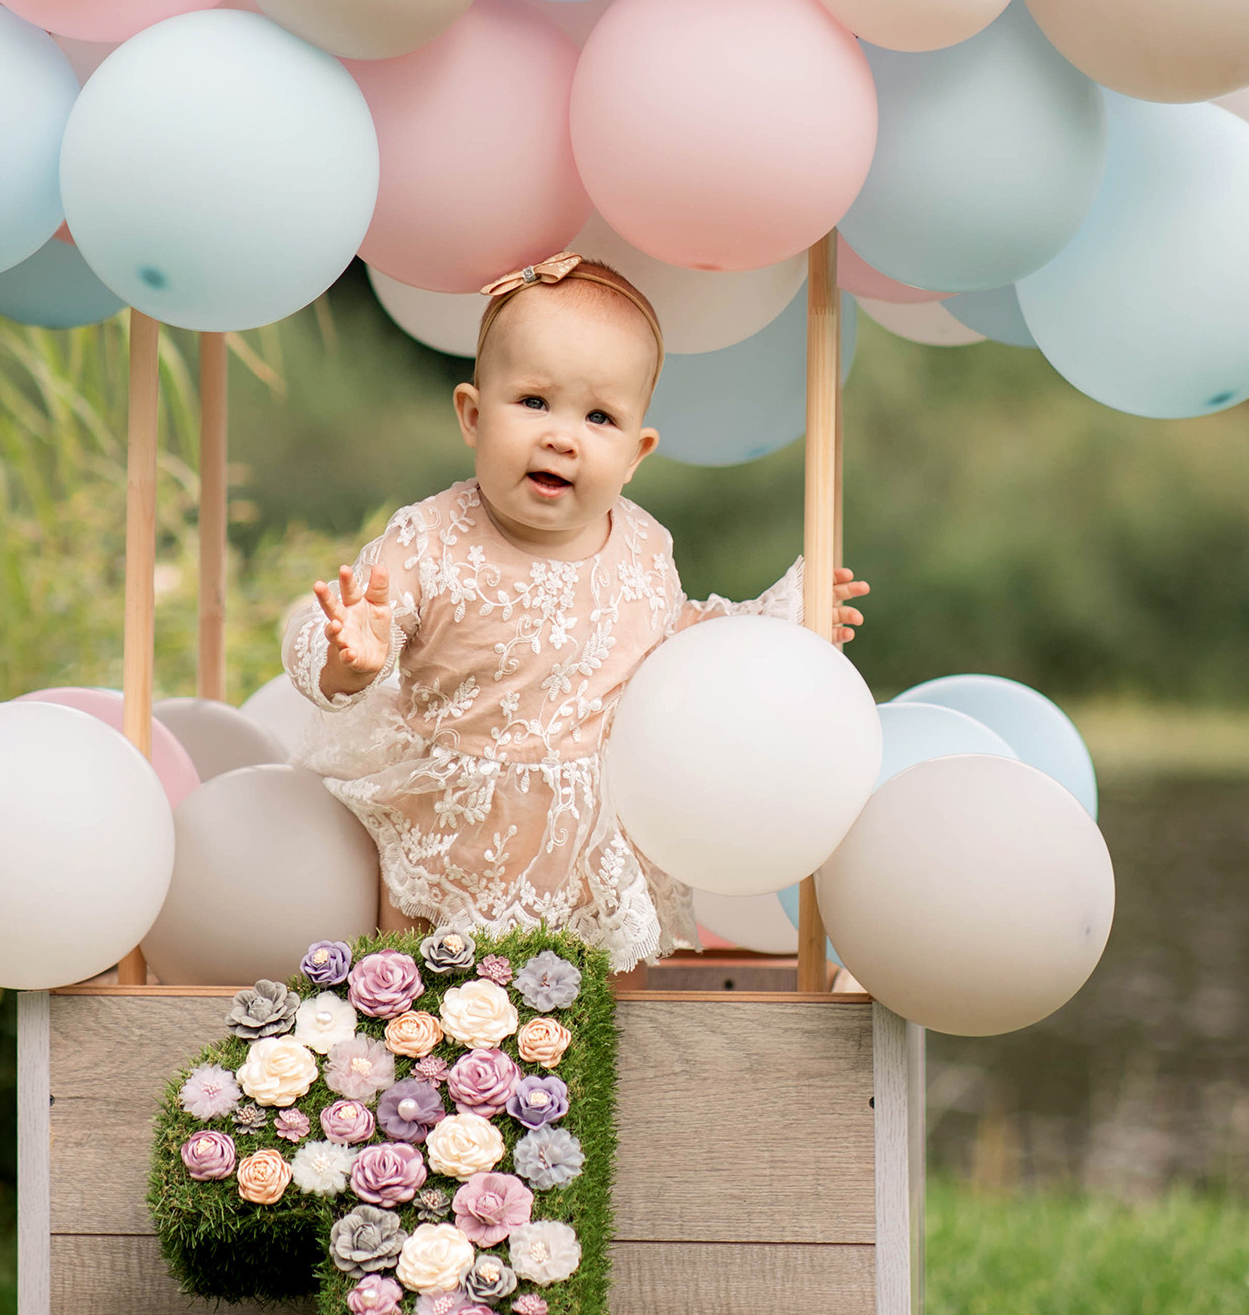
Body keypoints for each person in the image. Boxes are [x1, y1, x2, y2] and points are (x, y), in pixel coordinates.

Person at [281, 251, 866, 970]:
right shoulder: (430, 537)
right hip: (453, 819)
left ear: (635, 453)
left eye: (599, 416)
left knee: (603, 1009)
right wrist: (348, 659)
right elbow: (337, 635)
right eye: (533, 402)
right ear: (472, 414)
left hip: (591, 833)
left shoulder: (645, 544)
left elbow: (677, 646)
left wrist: (782, 628)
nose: (563, 435)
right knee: (417, 992)